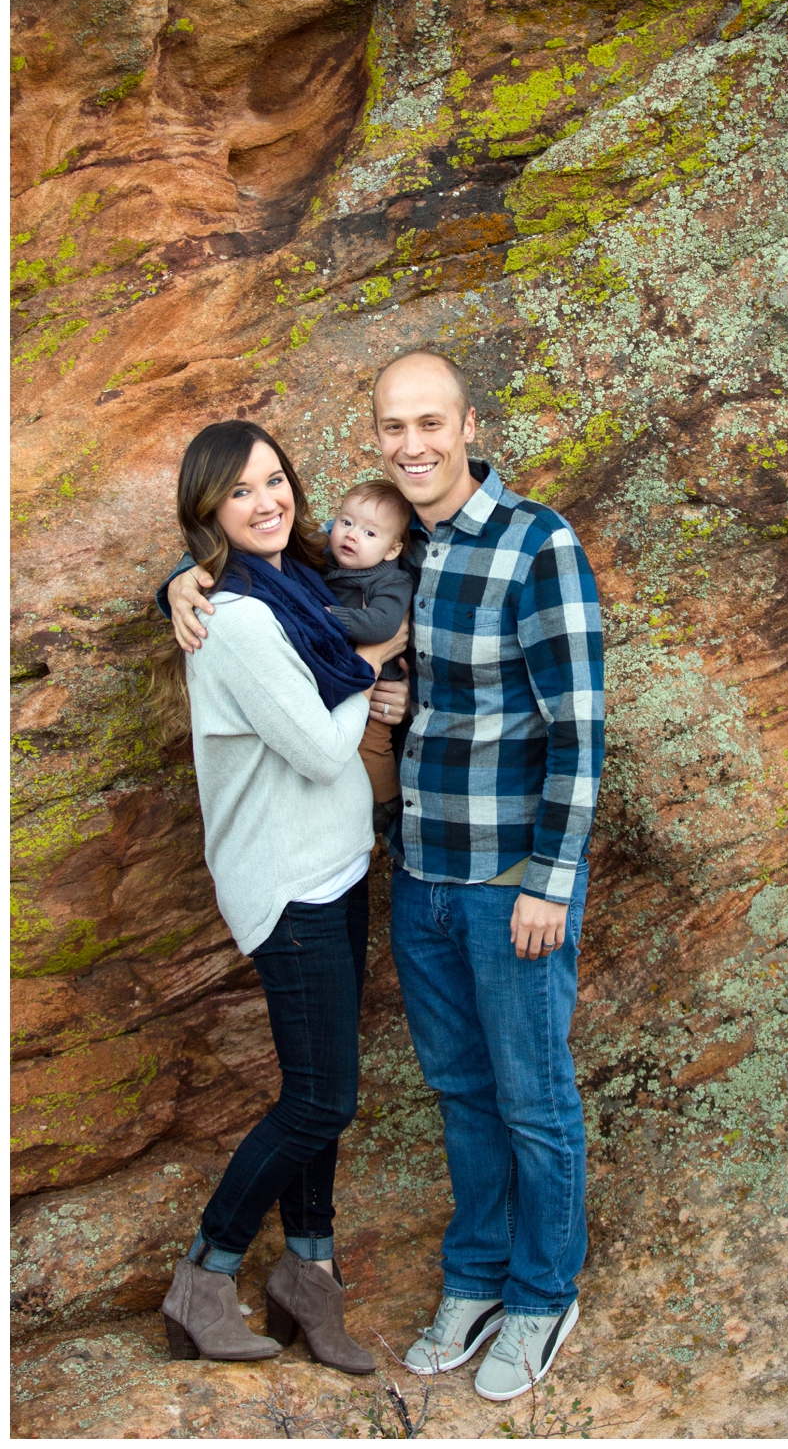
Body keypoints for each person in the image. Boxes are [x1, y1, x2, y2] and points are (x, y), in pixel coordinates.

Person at [162, 350, 606, 1401]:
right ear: (374, 439)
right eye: (391, 427)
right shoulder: (392, 554)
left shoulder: (536, 541)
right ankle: (477, 1277)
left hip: (511, 875)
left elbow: (579, 728)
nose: (412, 444)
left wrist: (554, 875)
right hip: (416, 871)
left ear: (465, 424)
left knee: (533, 1099)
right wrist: (176, 580)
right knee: (459, 1091)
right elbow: (253, 583)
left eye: (429, 423)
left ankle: (542, 1293)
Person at [148, 421, 407, 1371]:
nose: (269, 502)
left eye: (276, 480)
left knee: (322, 1096)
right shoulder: (238, 616)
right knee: (320, 1101)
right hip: (287, 885)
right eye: (242, 492)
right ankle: (203, 1278)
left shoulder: (291, 583)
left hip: (335, 864)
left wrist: (176, 578)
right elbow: (316, 746)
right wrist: (378, 669)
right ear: (208, 512)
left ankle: (309, 1274)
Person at [319, 478, 416, 833]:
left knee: (370, 745)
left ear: (392, 550)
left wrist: (326, 616)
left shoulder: (391, 582)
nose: (352, 535)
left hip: (377, 687)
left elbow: (381, 626)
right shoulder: (327, 558)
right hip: (338, 677)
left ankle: (385, 803)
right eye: (345, 522)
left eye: (370, 533)